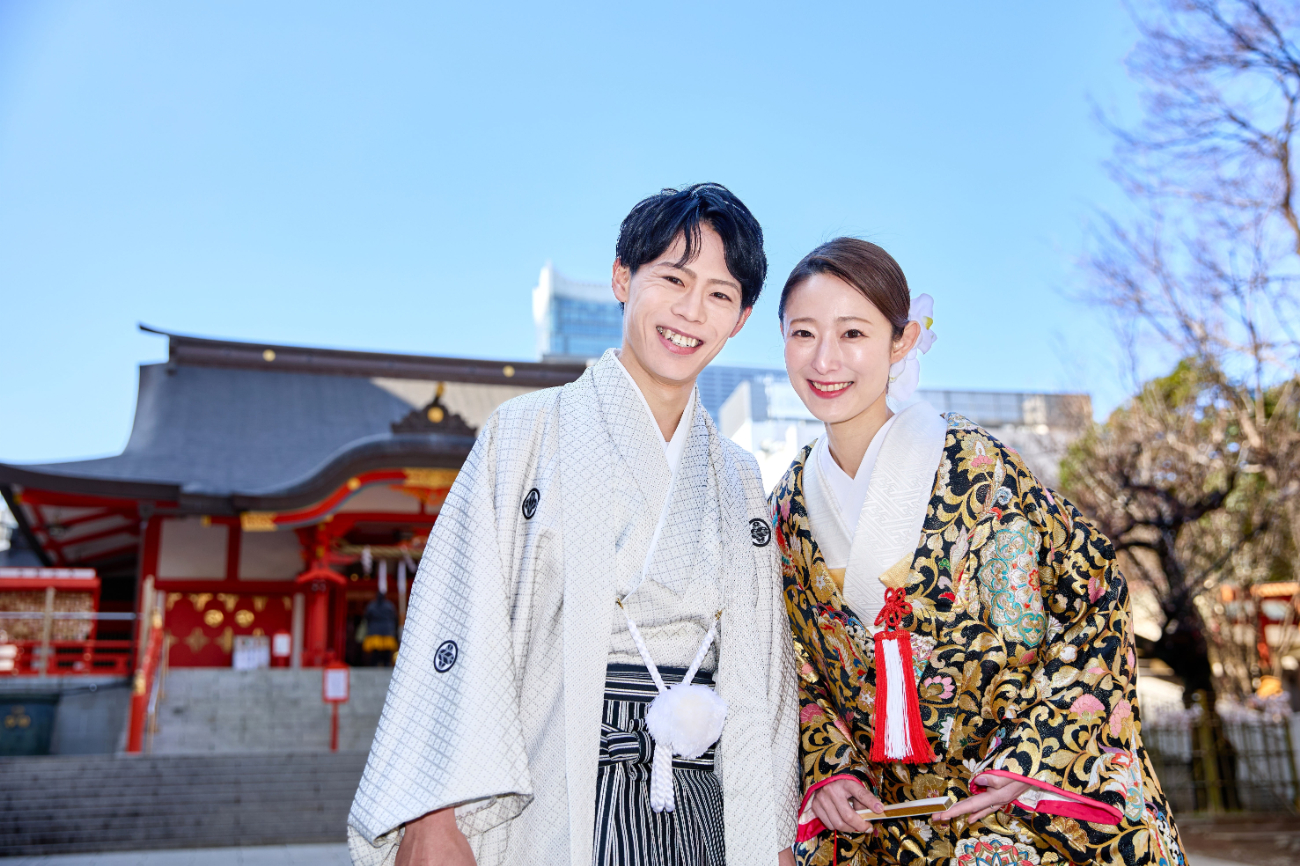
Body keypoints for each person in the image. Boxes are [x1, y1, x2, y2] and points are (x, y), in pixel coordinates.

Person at [348, 183, 800, 866]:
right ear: (623, 277)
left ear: (739, 319)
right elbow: (458, 611)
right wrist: (433, 809)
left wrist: (770, 831)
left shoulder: (737, 474)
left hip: (705, 796)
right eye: (672, 279)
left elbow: (763, 665)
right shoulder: (526, 434)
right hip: (560, 779)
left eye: (719, 294)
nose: (691, 311)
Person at [771, 238, 1186, 866]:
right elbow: (790, 663)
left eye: (853, 332)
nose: (825, 358)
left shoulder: (977, 464)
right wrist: (830, 768)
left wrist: (1032, 759)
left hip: (1023, 802)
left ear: (902, 340)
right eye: (803, 333)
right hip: (893, 826)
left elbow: (1092, 599)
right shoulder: (787, 510)